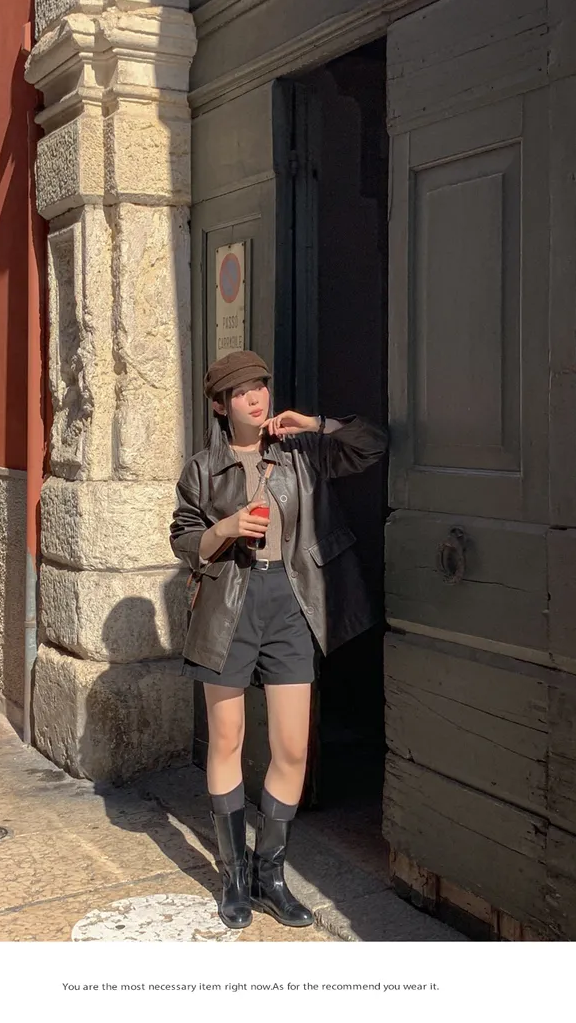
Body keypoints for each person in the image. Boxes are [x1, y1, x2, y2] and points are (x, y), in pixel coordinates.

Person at [169, 349, 387, 930]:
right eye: (241, 390)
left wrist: (315, 423)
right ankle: (234, 875)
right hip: (228, 607)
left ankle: (271, 874)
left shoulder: (301, 452)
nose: (256, 396)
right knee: (227, 740)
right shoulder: (202, 469)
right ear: (221, 405)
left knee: (292, 747)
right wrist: (225, 528)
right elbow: (184, 539)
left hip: (290, 605)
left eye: (260, 386)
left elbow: (372, 445)